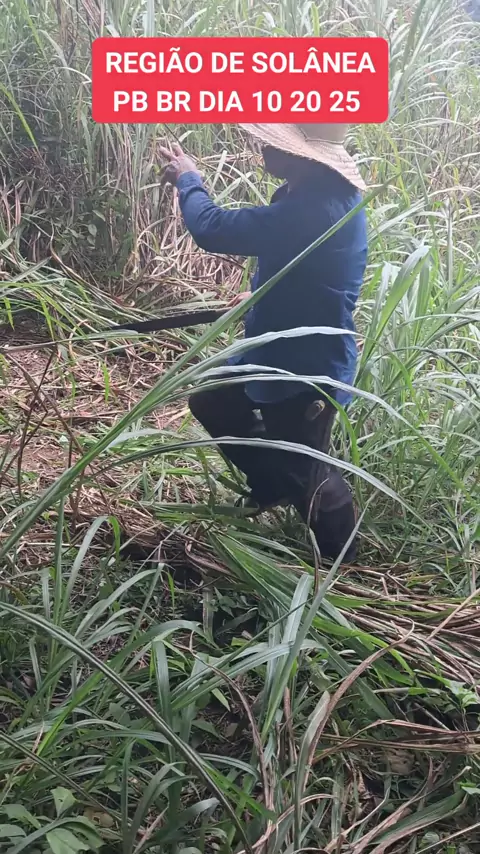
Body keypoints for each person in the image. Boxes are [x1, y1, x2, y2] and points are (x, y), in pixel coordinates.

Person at [160, 123, 367, 563]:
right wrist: (261, 293)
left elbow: (213, 229)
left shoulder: (314, 208)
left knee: (307, 465)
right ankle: (274, 485)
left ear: (306, 156)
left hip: (306, 361)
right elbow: (308, 265)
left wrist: (188, 179)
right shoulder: (307, 194)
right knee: (214, 398)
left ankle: (342, 562)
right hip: (277, 344)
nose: (263, 145)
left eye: (275, 142)